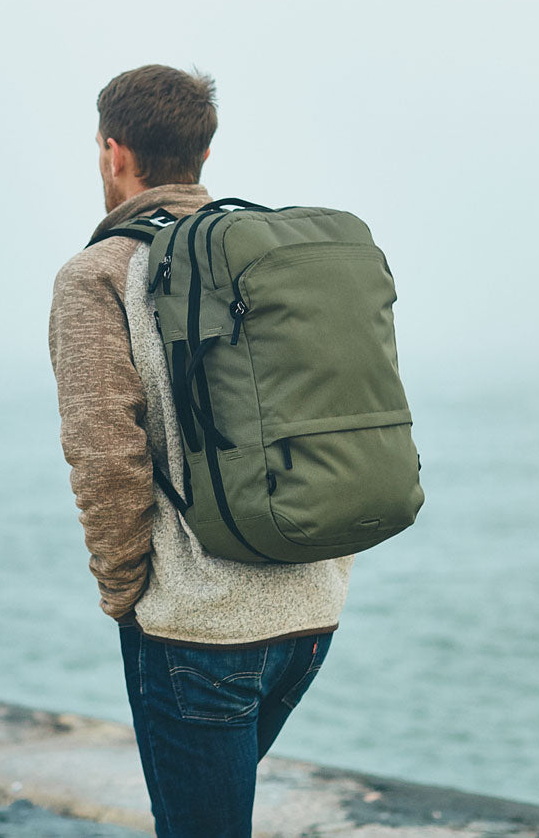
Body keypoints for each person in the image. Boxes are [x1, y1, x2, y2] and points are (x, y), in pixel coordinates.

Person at [47, 64, 356, 838]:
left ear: (113, 153)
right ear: (203, 157)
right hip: (312, 610)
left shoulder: (98, 275)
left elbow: (105, 457)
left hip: (198, 628)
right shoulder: (263, 258)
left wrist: (127, 596)